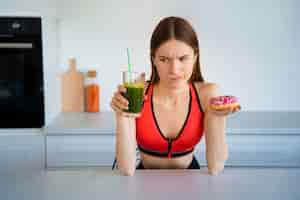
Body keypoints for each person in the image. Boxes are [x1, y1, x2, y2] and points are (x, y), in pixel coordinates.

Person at [110, 16, 240, 176]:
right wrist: (122, 115)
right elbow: (126, 169)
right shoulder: (138, 93)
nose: (174, 69)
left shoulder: (207, 94)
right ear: (154, 60)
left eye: (183, 58)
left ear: (195, 57)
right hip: (145, 181)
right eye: (164, 59)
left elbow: (216, 167)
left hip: (190, 179)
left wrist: (218, 115)